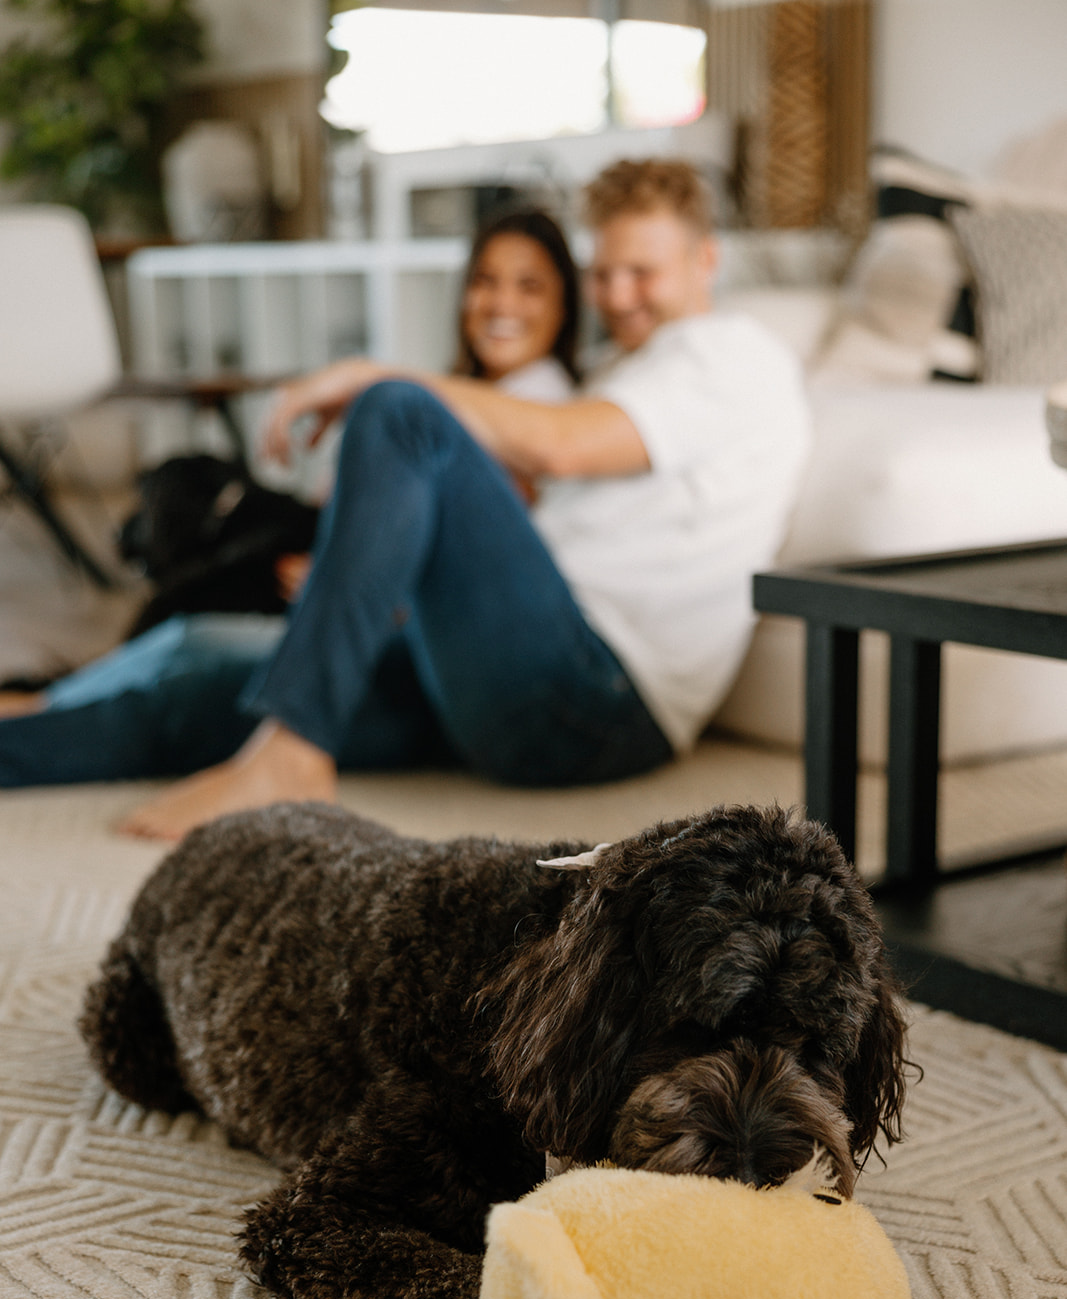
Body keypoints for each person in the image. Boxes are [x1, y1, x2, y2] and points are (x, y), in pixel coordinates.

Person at [0, 162, 811, 839]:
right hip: (508, 671)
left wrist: (369, 377)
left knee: (399, 411)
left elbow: (559, 443)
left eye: (645, 271)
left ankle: (293, 749)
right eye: (605, 272)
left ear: (705, 261)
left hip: (595, 701)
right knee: (204, 674)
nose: (620, 292)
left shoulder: (727, 355)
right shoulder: (625, 369)